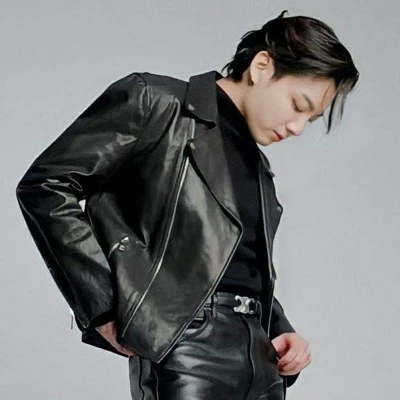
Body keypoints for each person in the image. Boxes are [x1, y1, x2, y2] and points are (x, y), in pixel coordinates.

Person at [15, 9, 359, 400]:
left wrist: (279, 327)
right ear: (262, 66)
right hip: (187, 347)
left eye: (311, 120)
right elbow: (47, 184)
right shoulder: (156, 104)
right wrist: (103, 305)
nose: (297, 128)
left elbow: (222, 262)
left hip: (260, 357)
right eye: (298, 105)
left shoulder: (258, 167)